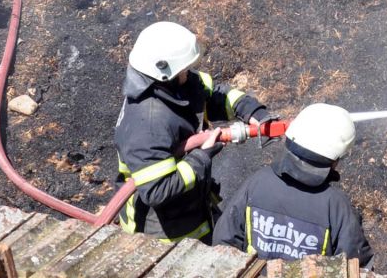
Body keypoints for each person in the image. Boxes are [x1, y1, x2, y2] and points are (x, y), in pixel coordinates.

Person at [114, 21, 273, 244]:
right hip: (162, 233)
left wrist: (250, 110)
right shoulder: (148, 125)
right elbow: (157, 191)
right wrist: (202, 156)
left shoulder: (172, 86)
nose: (188, 72)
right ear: (164, 71)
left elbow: (211, 95)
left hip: (194, 207)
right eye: (183, 68)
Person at [213, 104, 373, 266]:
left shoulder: (257, 183)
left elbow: (223, 242)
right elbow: (357, 266)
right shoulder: (336, 206)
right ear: (335, 159)